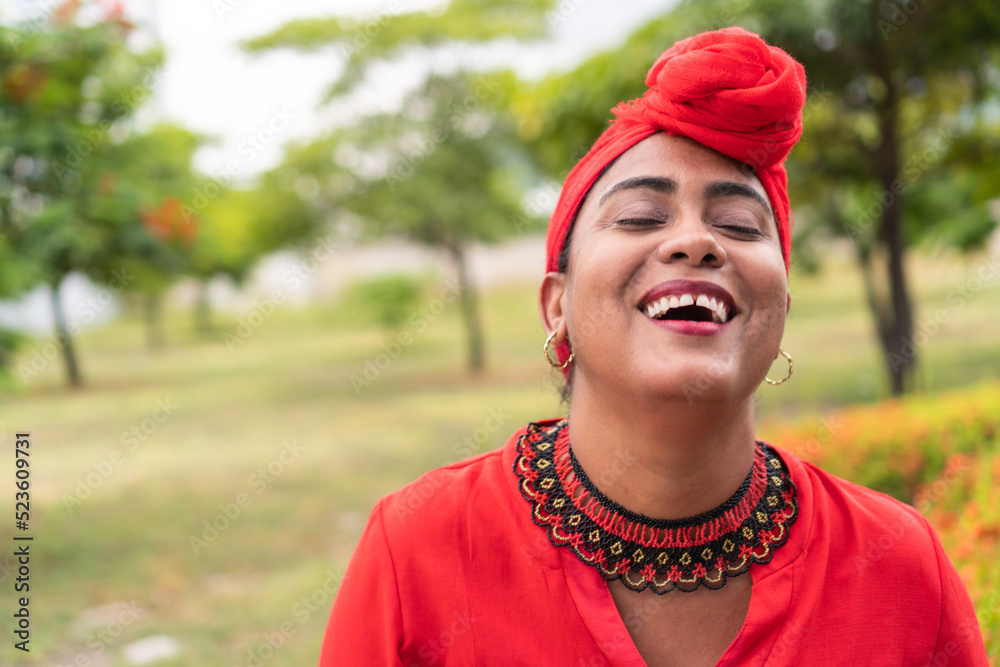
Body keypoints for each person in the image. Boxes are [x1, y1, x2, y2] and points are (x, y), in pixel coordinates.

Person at [320, 27, 988, 666]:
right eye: (641, 215)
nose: (696, 242)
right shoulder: (420, 552)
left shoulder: (900, 565)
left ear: (780, 308)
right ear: (557, 305)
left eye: (737, 223)